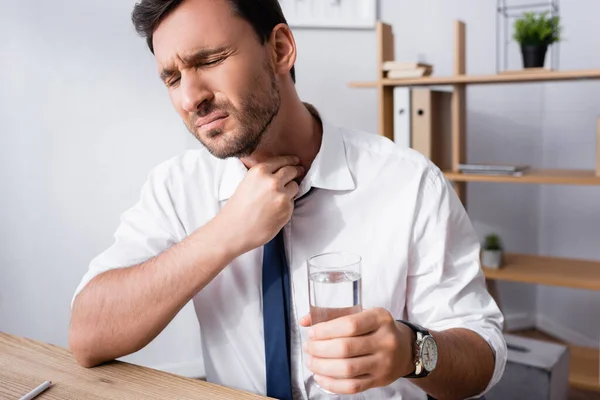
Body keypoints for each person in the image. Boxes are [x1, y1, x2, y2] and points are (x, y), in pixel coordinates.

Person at [68, 0, 507, 399]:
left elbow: (482, 357)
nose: (190, 97)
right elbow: (88, 337)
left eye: (211, 60)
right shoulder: (177, 188)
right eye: (172, 77)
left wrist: (413, 351)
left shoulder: (409, 183)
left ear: (279, 49)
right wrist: (224, 235)